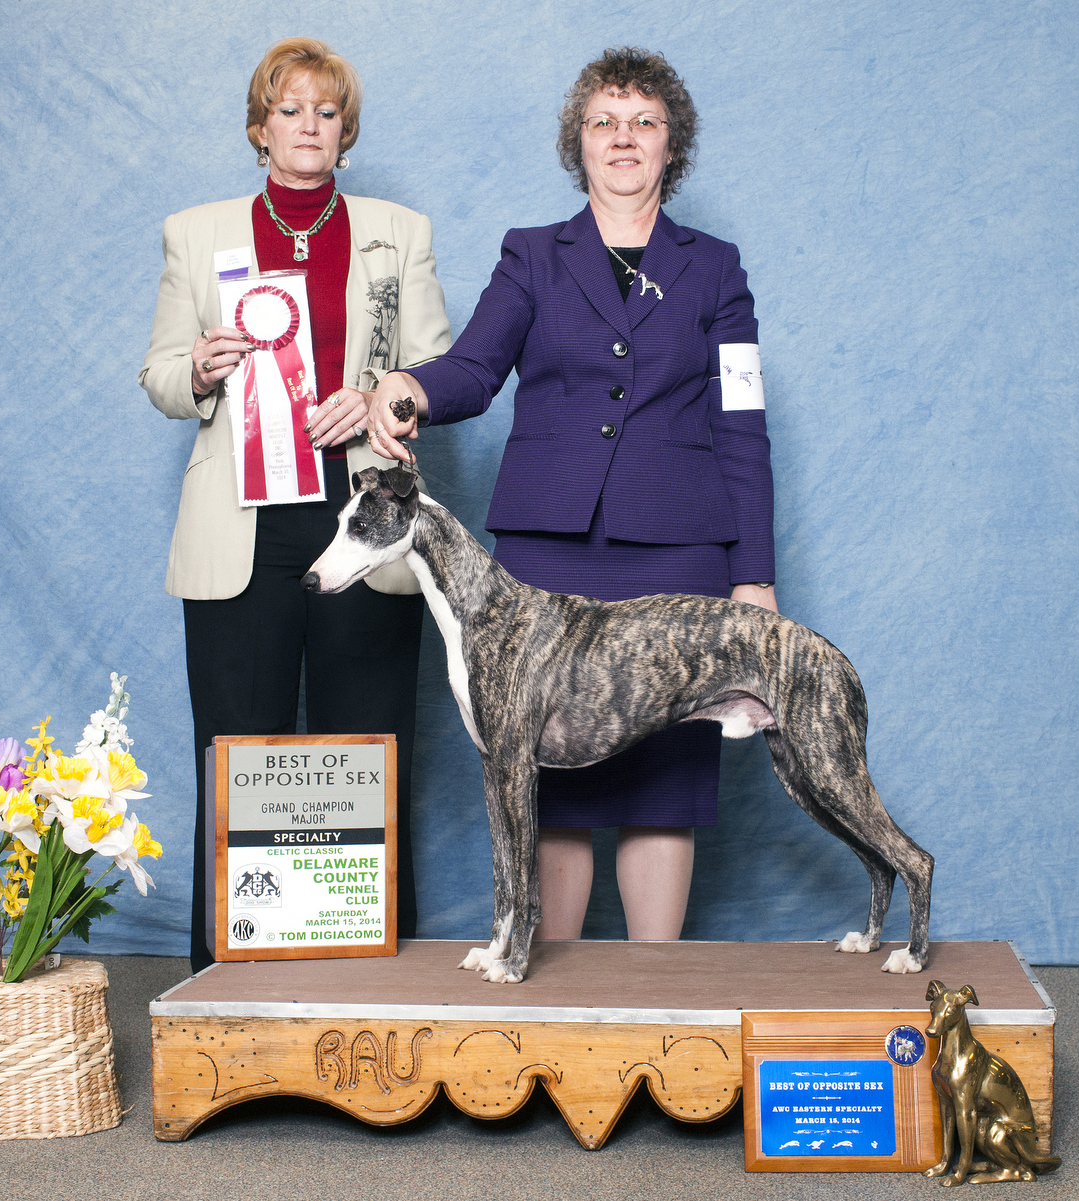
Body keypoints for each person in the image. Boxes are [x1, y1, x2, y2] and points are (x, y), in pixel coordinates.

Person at [364, 47, 776, 943]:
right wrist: (412, 387)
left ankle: (654, 1004)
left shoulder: (717, 268)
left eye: (644, 123)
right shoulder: (531, 257)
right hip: (549, 553)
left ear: (673, 146)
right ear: (577, 143)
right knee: (548, 787)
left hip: (679, 552)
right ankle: (552, 1009)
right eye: (604, 122)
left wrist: (754, 574)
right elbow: (474, 367)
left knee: (663, 791)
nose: (622, 138)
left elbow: (742, 424)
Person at [139, 37, 452, 972]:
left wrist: (382, 395)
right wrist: (195, 366)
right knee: (236, 750)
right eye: (290, 110)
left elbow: (436, 369)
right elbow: (157, 374)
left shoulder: (401, 230)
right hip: (242, 527)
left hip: (365, 518)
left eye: (326, 112)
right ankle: (227, 988)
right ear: (259, 127)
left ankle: (366, 984)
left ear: (345, 133)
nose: (308, 125)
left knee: (368, 751)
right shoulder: (195, 233)